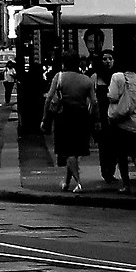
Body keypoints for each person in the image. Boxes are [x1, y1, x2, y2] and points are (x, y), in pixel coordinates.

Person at [45, 53, 99, 193]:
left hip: (64, 117)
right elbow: (94, 102)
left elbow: (49, 98)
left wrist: (45, 118)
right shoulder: (86, 80)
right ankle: (67, 182)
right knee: (75, 151)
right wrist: (95, 118)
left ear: (64, 63)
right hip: (81, 117)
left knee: (68, 151)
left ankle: (79, 182)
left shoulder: (59, 77)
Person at [104, 52, 136, 194]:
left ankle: (126, 185)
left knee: (122, 155)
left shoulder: (117, 77)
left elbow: (112, 97)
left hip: (123, 124)